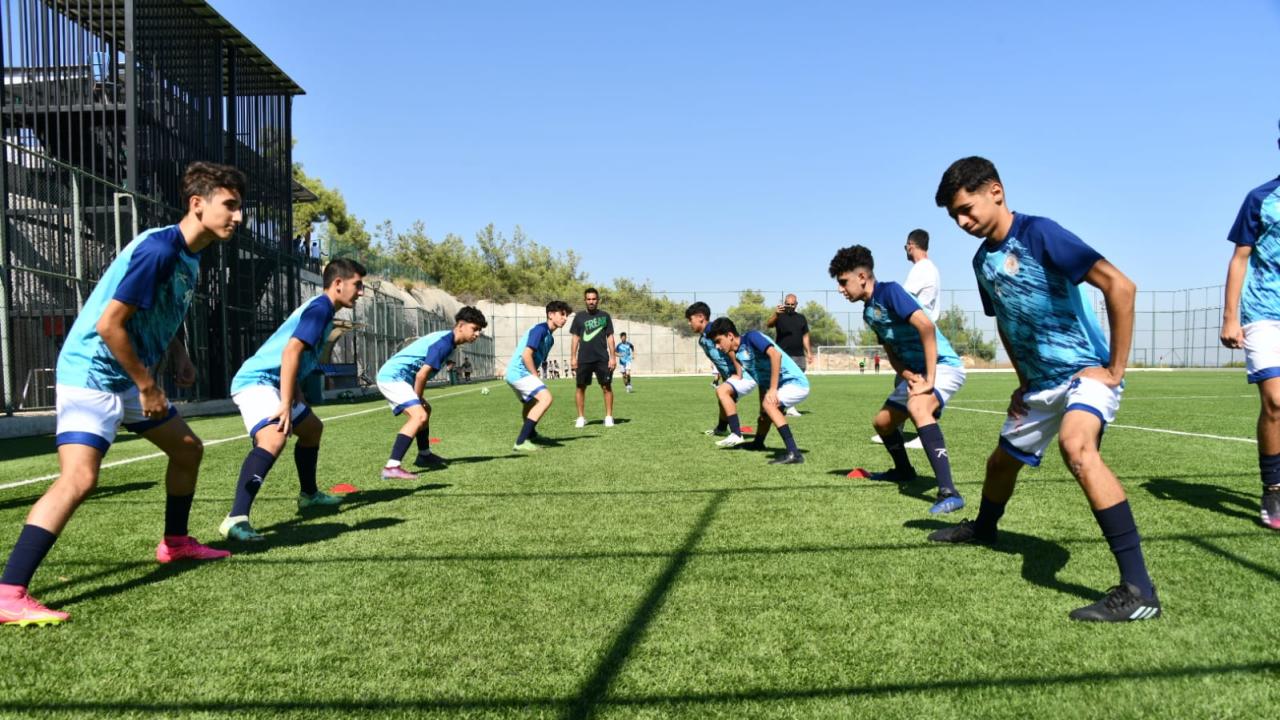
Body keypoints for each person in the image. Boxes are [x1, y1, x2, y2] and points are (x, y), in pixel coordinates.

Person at [0, 162, 244, 626]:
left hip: (126, 377)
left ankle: (175, 544)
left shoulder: (190, 255)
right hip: (93, 375)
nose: (237, 217)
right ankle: (9, 592)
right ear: (198, 204)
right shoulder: (158, 250)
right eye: (229, 206)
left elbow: (162, 307)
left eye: (239, 207)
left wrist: (179, 353)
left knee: (188, 450)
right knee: (78, 480)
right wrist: (148, 386)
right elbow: (108, 325)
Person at [930, 156, 1159, 622]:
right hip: (1039, 386)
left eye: (966, 208)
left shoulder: (1040, 234)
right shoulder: (982, 263)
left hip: (1083, 375)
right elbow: (1010, 325)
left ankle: (1140, 591)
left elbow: (1121, 286)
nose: (962, 221)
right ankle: (985, 529)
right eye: (954, 215)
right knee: (1000, 464)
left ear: (995, 190)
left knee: (1077, 448)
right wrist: (1022, 383)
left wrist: (1114, 369)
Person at [218, 258, 367, 543]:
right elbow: (290, 352)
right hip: (257, 381)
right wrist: (285, 403)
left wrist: (295, 391)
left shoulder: (325, 309)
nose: (360, 292)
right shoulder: (321, 308)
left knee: (312, 429)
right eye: (357, 285)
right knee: (274, 439)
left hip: (274, 383)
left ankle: (309, 496)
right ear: (338, 284)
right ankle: (235, 519)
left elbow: (296, 358)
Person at [830, 245, 968, 514]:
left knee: (919, 407)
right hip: (917, 372)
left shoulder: (890, 291)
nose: (840, 289)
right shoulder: (869, 312)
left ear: (862, 277)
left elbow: (926, 327)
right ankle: (904, 471)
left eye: (843, 282)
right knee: (882, 422)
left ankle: (949, 491)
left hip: (942, 366)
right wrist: (907, 375)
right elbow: (891, 351)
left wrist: (928, 379)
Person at [1219, 118, 1280, 531]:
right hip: (1264, 313)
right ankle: (1274, 491)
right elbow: (1240, 257)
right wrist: (1230, 317)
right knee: (1276, 401)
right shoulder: (1260, 198)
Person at [375, 307, 487, 479]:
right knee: (419, 415)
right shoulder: (444, 342)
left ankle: (424, 455)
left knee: (425, 411)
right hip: (393, 377)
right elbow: (422, 374)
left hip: (402, 378)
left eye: (479, 330)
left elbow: (419, 372)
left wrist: (419, 399)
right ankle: (392, 466)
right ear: (461, 325)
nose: (477, 334)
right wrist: (418, 398)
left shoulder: (449, 342)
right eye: (475, 329)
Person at [707, 318, 809, 464]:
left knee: (769, 405)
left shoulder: (751, 337)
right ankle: (758, 443)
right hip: (780, 385)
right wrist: (765, 403)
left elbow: (776, 355)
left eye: (718, 341)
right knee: (763, 416)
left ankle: (794, 453)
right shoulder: (738, 354)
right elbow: (761, 378)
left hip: (795, 383)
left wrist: (773, 390)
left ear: (730, 335)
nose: (717, 346)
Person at [684, 302, 756, 447]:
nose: (689, 323)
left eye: (690, 319)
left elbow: (731, 350)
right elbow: (720, 361)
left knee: (723, 393)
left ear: (700, 317)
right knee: (723, 398)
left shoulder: (714, 331)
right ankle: (722, 429)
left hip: (743, 373)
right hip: (730, 374)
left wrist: (739, 373)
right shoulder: (703, 339)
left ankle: (736, 434)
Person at [507, 301, 572, 451]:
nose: (565, 318)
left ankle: (531, 435)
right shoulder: (540, 330)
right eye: (562, 314)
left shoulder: (550, 338)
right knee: (546, 398)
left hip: (516, 373)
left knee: (529, 403)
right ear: (550, 315)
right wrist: (535, 375)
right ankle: (521, 441)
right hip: (519, 372)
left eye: (566, 315)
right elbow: (526, 355)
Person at [570, 288, 617, 428]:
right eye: (589, 299)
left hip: (602, 358)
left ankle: (609, 417)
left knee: (606, 387)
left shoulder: (605, 316)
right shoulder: (579, 317)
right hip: (584, 358)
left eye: (594, 299)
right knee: (580, 387)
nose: (591, 301)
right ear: (585, 300)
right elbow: (575, 338)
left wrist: (613, 357)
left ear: (598, 300)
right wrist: (573, 358)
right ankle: (581, 418)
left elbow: (610, 337)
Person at [766, 293, 811, 418]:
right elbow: (768, 324)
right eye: (788, 304)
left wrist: (809, 352)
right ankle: (788, 407)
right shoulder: (779, 316)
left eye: (792, 304)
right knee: (785, 380)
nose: (790, 306)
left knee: (798, 380)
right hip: (783, 355)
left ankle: (785, 405)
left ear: (796, 304)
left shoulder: (801, 318)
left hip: (799, 355)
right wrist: (776, 314)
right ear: (784, 303)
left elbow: (805, 336)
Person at [904, 229, 943, 322]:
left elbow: (903, 299)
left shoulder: (921, 268)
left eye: (905, 247)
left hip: (918, 328)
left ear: (910, 246)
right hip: (929, 326)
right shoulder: (932, 268)